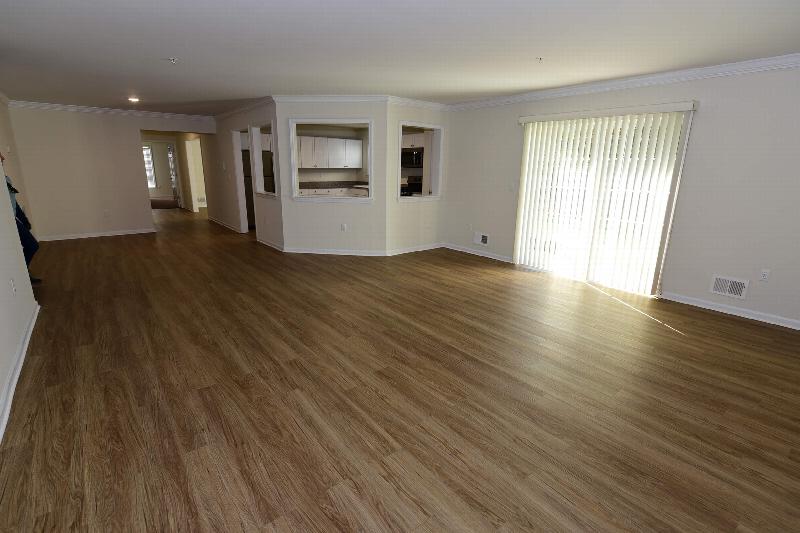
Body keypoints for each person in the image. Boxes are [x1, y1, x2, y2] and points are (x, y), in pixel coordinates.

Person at [2, 151, 41, 285]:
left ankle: (23, 274)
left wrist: (24, 219)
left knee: (30, 246)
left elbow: (13, 201)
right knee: (32, 245)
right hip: (6, 223)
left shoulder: (6, 179)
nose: (3, 158)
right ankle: (22, 276)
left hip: (14, 220)